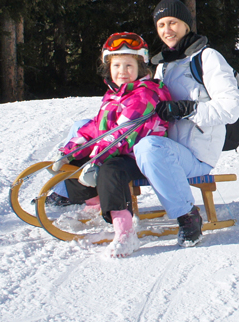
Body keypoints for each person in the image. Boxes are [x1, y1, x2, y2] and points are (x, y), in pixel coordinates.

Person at [48, 32, 173, 257]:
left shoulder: (144, 95)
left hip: (140, 155)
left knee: (109, 171)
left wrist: (97, 162)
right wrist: (70, 152)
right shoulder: (113, 95)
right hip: (115, 152)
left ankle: (125, 233)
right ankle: (96, 202)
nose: (122, 72)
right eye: (116, 66)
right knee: (77, 163)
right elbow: (96, 128)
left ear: (141, 68)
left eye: (128, 66)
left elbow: (122, 135)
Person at [146, 0, 239, 248]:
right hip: (168, 153)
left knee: (149, 148)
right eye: (161, 25)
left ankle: (187, 216)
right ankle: (79, 196)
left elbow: (231, 109)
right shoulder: (163, 66)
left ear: (186, 25)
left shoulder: (207, 58)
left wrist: (189, 109)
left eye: (172, 23)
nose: (166, 30)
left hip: (197, 157)